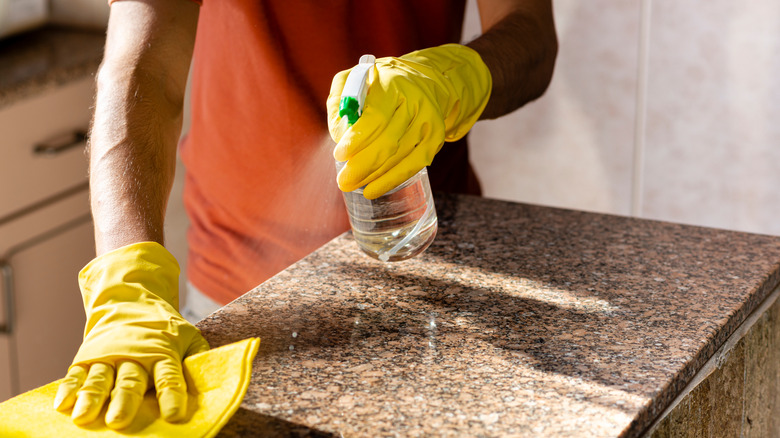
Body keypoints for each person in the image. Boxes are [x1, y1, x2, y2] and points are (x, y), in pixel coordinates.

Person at [52, 0, 558, 430]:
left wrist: (448, 81)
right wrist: (127, 283)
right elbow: (142, 67)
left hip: (435, 267)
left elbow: (530, 31)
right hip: (242, 293)